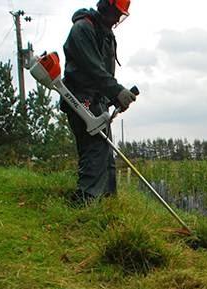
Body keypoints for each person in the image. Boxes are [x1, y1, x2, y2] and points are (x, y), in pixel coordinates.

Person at [61, 0, 136, 203]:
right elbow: (93, 69)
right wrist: (117, 91)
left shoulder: (106, 34)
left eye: (121, 15)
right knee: (94, 149)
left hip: (98, 100)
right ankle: (83, 203)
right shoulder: (83, 28)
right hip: (81, 98)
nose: (118, 19)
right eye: (116, 13)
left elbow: (104, 73)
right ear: (106, 6)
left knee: (106, 151)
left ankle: (108, 203)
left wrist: (114, 97)